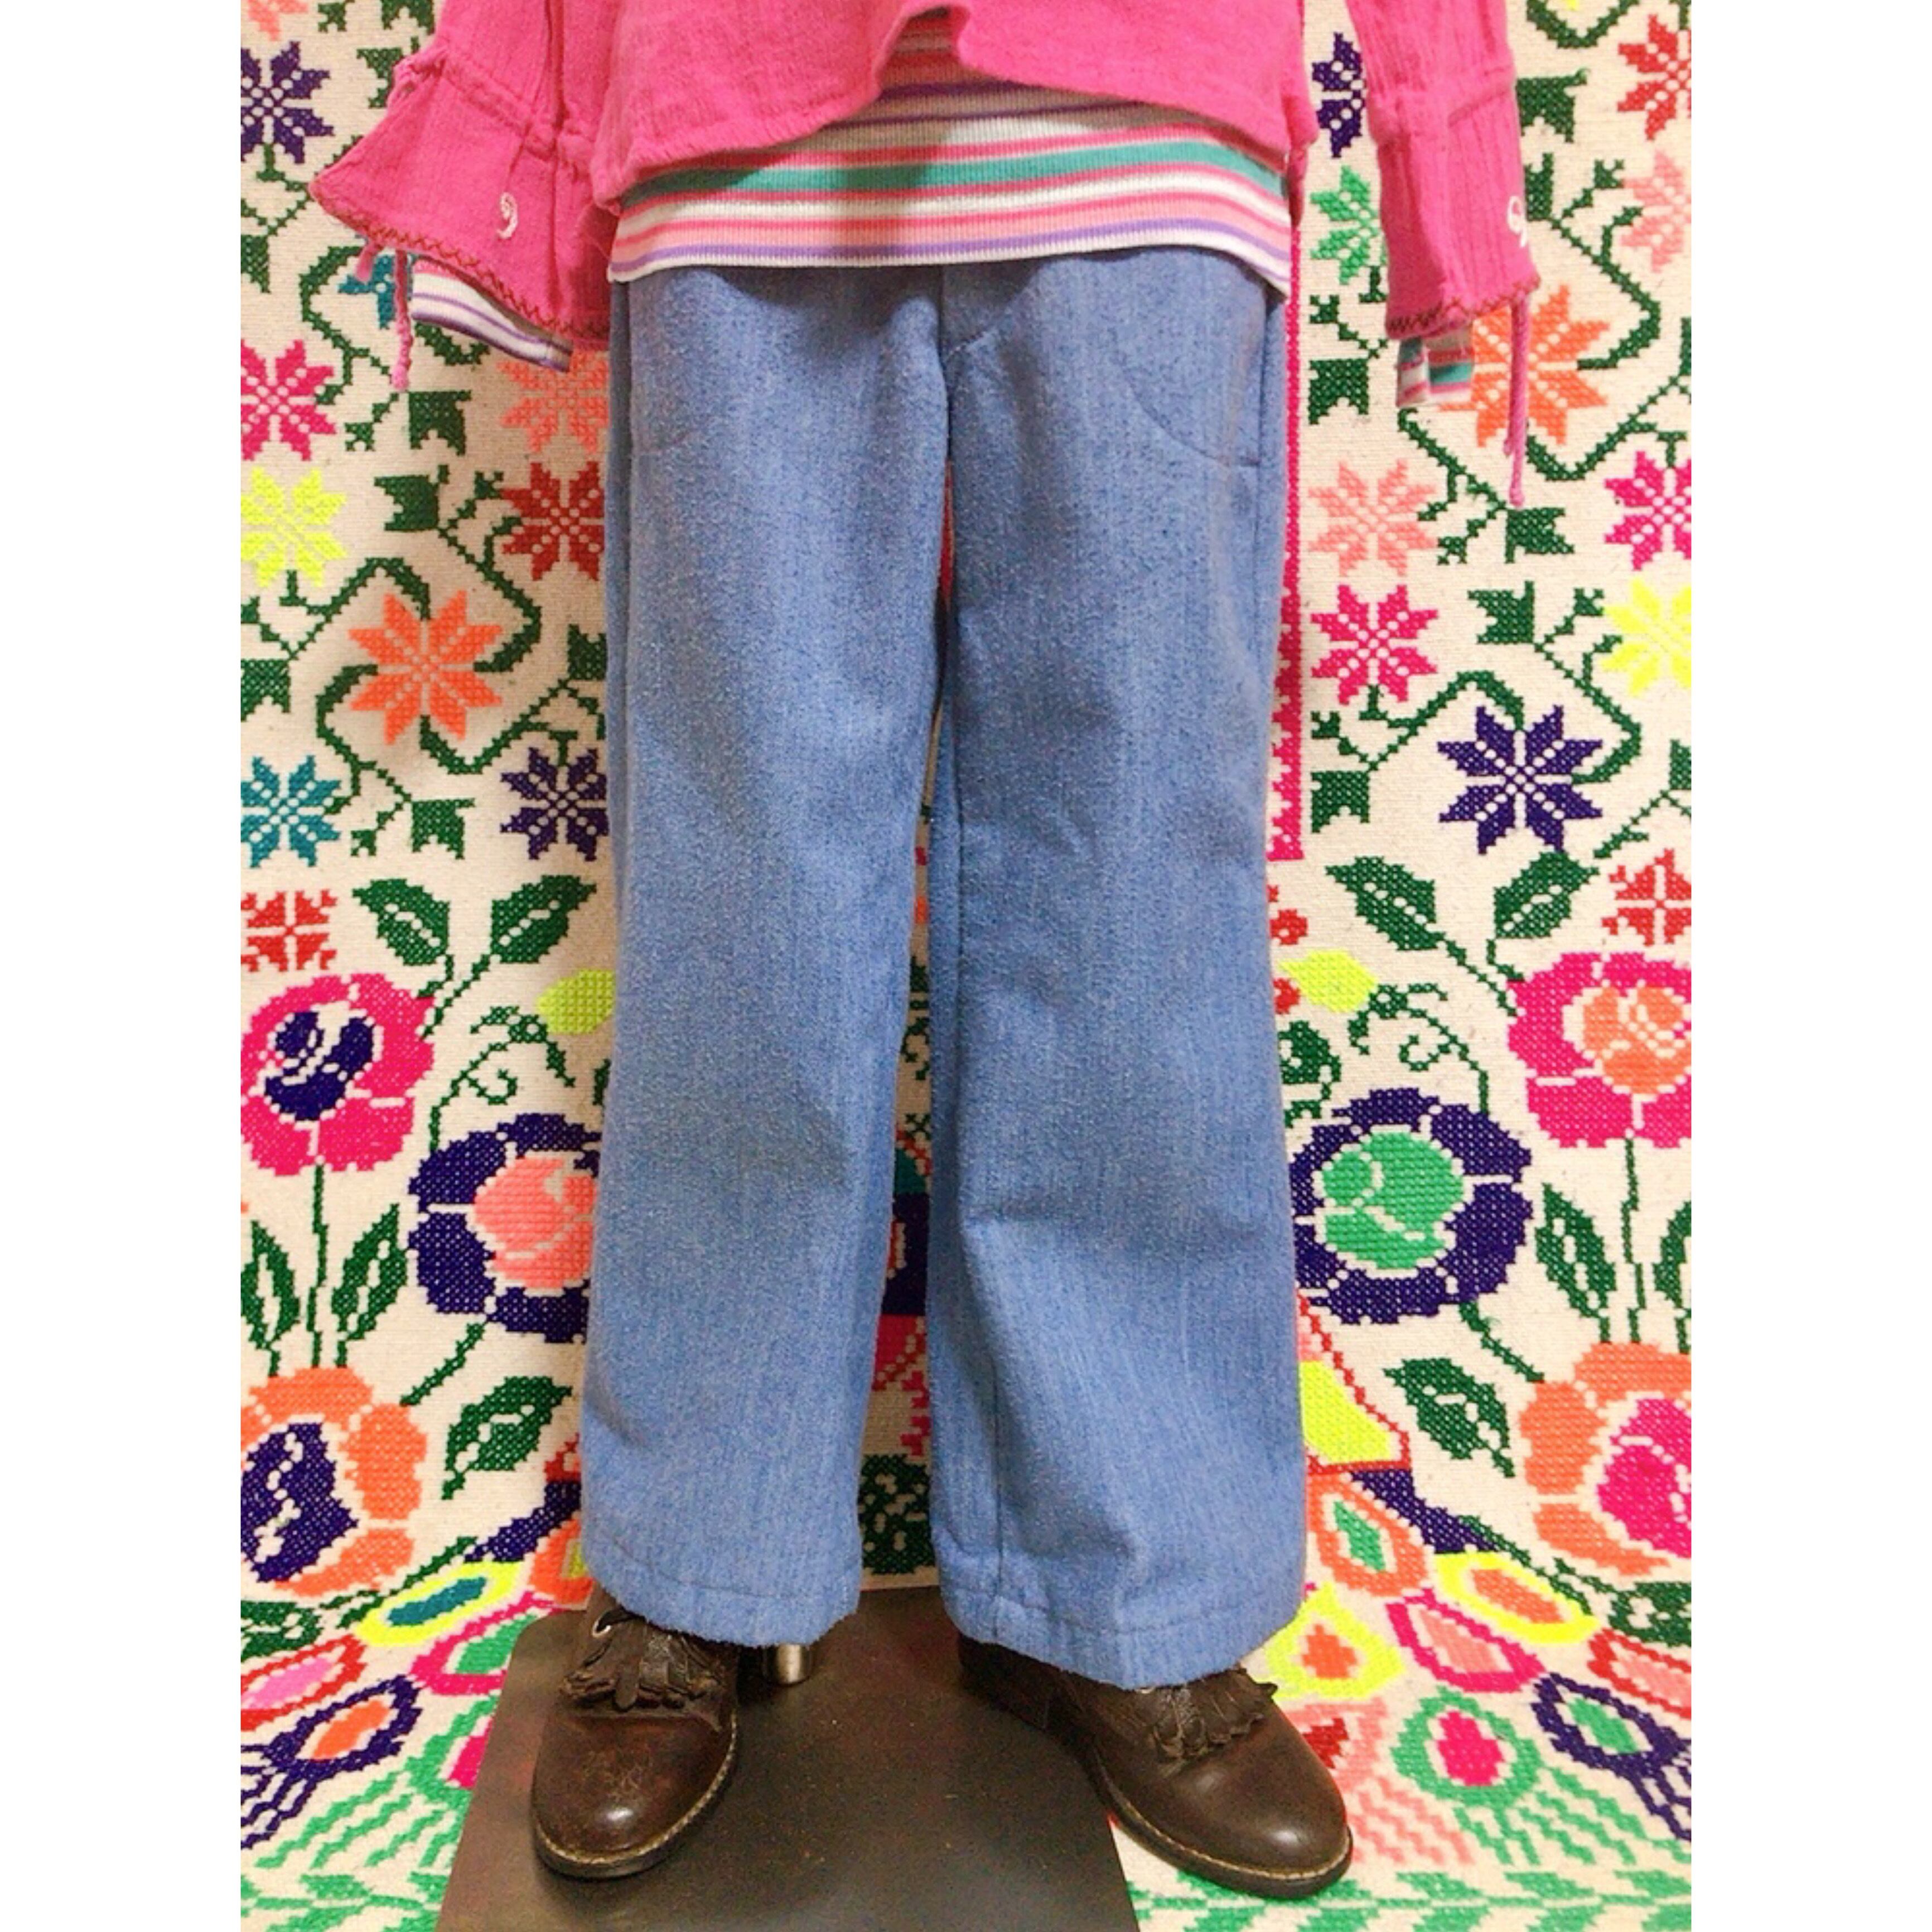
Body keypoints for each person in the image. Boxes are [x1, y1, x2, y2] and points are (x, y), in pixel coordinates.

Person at [313, 0, 1538, 1902]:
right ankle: (700, 1567)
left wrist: (1446, 160)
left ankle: (1124, 1588)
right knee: (738, 911)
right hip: (742, 139)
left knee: (1135, 906)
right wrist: (515, 150)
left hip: (1146, 124)